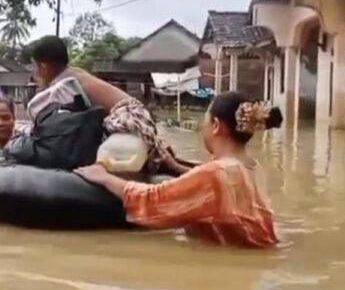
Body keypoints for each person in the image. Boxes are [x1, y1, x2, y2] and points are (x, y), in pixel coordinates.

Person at [75, 92, 283, 248]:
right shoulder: (252, 168)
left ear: (217, 126)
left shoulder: (215, 174)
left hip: (232, 262)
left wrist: (102, 177)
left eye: (206, 121)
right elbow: (217, 192)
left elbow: (153, 200)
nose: (203, 128)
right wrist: (176, 167)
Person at [26, 36, 171, 172]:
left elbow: (36, 111)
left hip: (129, 118)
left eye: (34, 66)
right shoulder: (75, 73)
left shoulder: (65, 85)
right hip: (140, 117)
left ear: (43, 66)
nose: (34, 72)